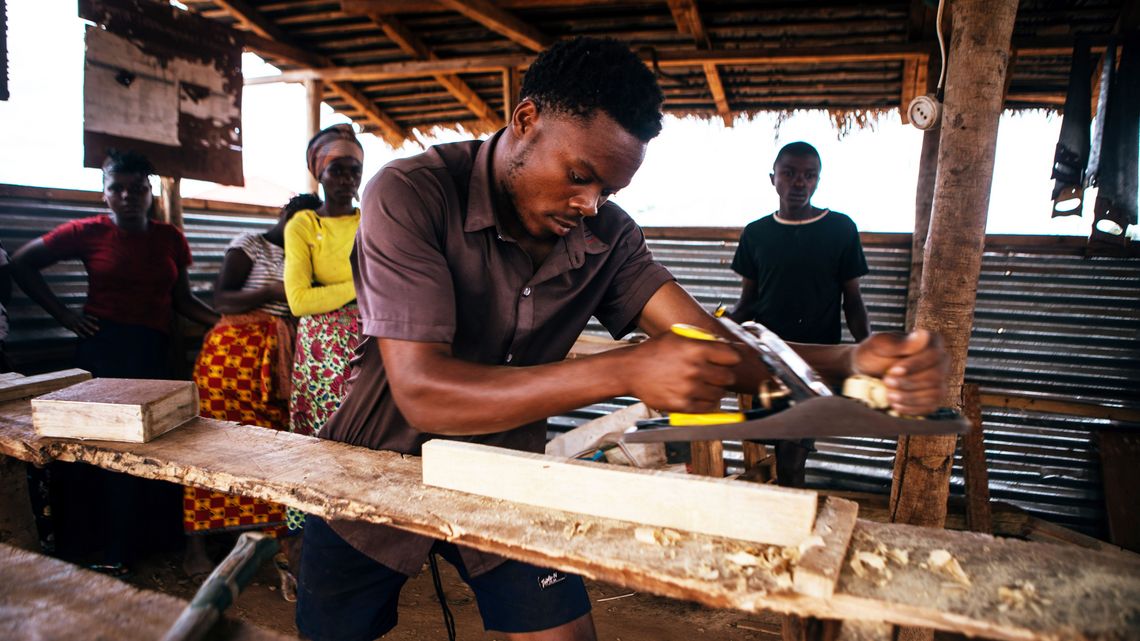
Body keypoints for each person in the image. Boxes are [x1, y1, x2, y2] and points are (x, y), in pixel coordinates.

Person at [295, 37, 948, 641]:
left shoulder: (607, 233)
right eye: (579, 175)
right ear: (526, 120)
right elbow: (423, 394)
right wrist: (627, 370)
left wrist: (849, 361)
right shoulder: (411, 192)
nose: (589, 203)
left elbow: (707, 343)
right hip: (371, 470)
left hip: (502, 473)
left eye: (607, 187)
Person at [11, 149, 219, 576]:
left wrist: (226, 323)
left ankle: (146, 543)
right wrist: (65, 316)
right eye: (116, 188)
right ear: (104, 194)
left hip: (153, 354)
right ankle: (99, 547)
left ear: (149, 192)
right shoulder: (87, 232)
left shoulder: (169, 237)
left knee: (155, 446)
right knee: (100, 449)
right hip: (103, 354)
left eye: (136, 188)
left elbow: (181, 300)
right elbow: (22, 263)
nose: (127, 196)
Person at [182, 193, 321, 582]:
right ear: (284, 215)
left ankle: (271, 544)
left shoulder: (310, 254)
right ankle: (195, 546)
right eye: (300, 222)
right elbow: (223, 297)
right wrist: (271, 292)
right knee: (211, 446)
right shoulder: (250, 244)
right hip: (230, 361)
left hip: (280, 361)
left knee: (273, 450)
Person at [727, 141, 872, 487]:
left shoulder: (841, 229)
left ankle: (793, 528)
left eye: (809, 176)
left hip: (814, 363)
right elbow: (748, 303)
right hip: (768, 361)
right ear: (772, 178)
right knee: (782, 452)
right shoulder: (757, 233)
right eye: (789, 174)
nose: (799, 183)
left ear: (818, 181)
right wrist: (714, 330)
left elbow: (853, 301)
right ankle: (784, 519)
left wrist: (869, 349)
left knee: (792, 459)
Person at [282, 125, 364, 536]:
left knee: (365, 434)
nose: (347, 178)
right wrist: (361, 285)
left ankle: (361, 529)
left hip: (368, 342)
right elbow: (299, 301)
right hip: (319, 350)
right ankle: (307, 534)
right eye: (337, 169)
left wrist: (331, 292)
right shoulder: (301, 225)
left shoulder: (372, 220)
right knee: (317, 437)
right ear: (319, 172)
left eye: (354, 170)